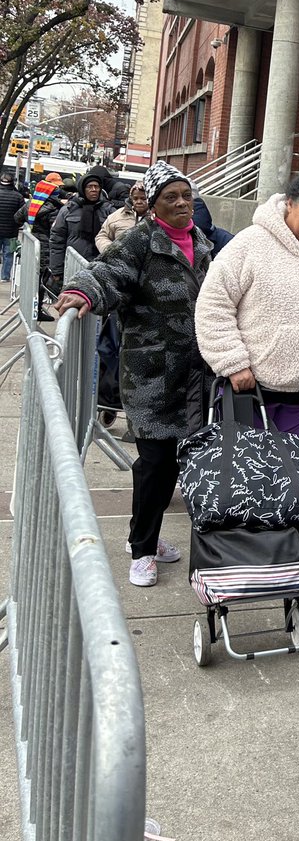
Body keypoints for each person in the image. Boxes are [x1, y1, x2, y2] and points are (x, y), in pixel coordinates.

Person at [54, 162, 213, 588]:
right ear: (155, 205)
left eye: (186, 195)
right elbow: (107, 273)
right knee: (155, 463)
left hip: (193, 375)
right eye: (170, 197)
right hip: (151, 375)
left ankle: (149, 534)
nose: (181, 203)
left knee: (173, 462)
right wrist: (82, 291)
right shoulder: (141, 240)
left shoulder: (201, 242)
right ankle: (142, 550)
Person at [194, 170, 299, 440]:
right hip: (250, 393)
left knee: (289, 478)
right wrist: (233, 363)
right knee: (245, 477)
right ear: (290, 203)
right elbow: (214, 305)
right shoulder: (249, 245)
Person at [15, 172, 64, 320]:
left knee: (32, 278)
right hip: (46, 248)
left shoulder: (31, 204)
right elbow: (57, 230)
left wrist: (30, 225)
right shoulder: (54, 209)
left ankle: (30, 307)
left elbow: (17, 218)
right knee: (41, 280)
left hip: (31, 245)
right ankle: (36, 310)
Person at [48, 169, 109, 285]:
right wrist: (57, 270)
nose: (94, 190)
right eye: (89, 187)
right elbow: (57, 241)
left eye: (96, 187)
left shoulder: (108, 210)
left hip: (98, 269)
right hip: (72, 267)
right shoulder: (68, 210)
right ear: (82, 189)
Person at [96, 182, 149, 252]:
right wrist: (110, 251)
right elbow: (102, 236)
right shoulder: (117, 216)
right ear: (131, 199)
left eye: (143, 198)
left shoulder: (159, 216)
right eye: (135, 198)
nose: (139, 201)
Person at [0, 170, 25, 283]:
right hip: (11, 232)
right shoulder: (18, 197)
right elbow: (23, 213)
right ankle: (5, 277)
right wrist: (18, 224)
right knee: (9, 254)